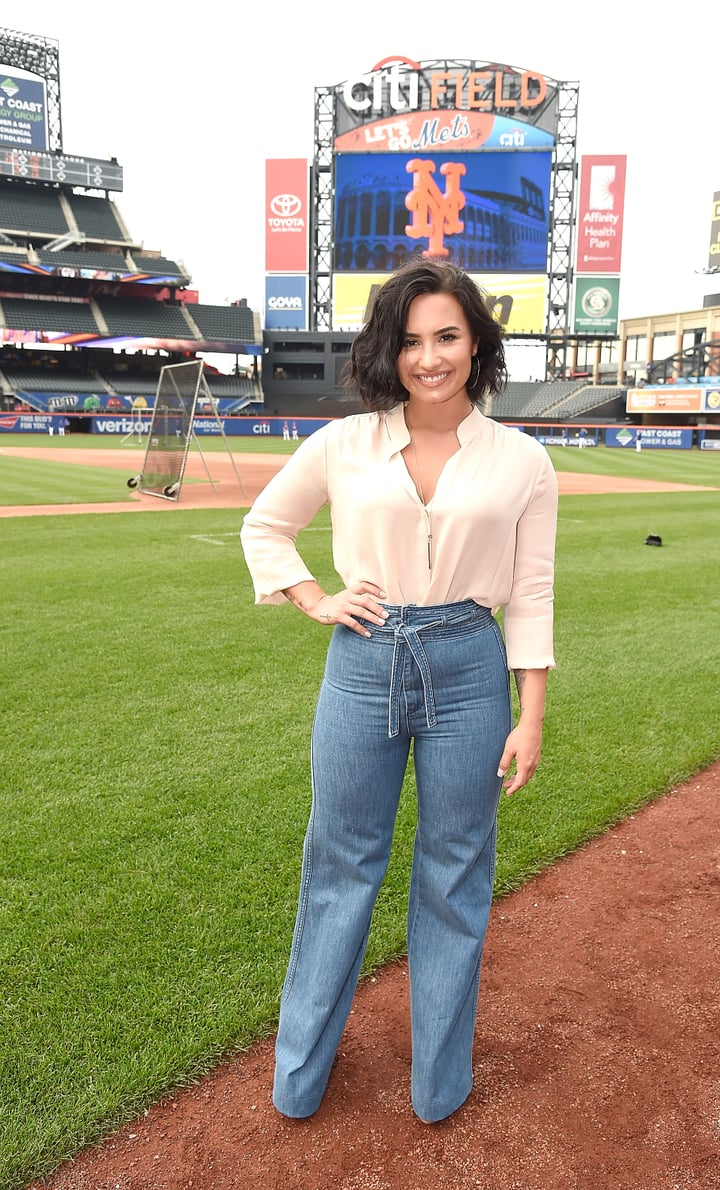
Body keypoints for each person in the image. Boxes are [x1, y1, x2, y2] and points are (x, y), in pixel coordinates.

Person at [240, 257, 558, 1125]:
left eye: (447, 336)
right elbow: (266, 526)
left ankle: (438, 1084)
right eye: (412, 340)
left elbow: (530, 592)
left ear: (476, 344)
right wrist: (314, 597)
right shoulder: (344, 442)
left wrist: (530, 714)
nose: (429, 357)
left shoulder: (524, 460)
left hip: (468, 665)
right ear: (391, 348)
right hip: (364, 656)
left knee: (455, 873)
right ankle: (299, 1076)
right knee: (340, 862)